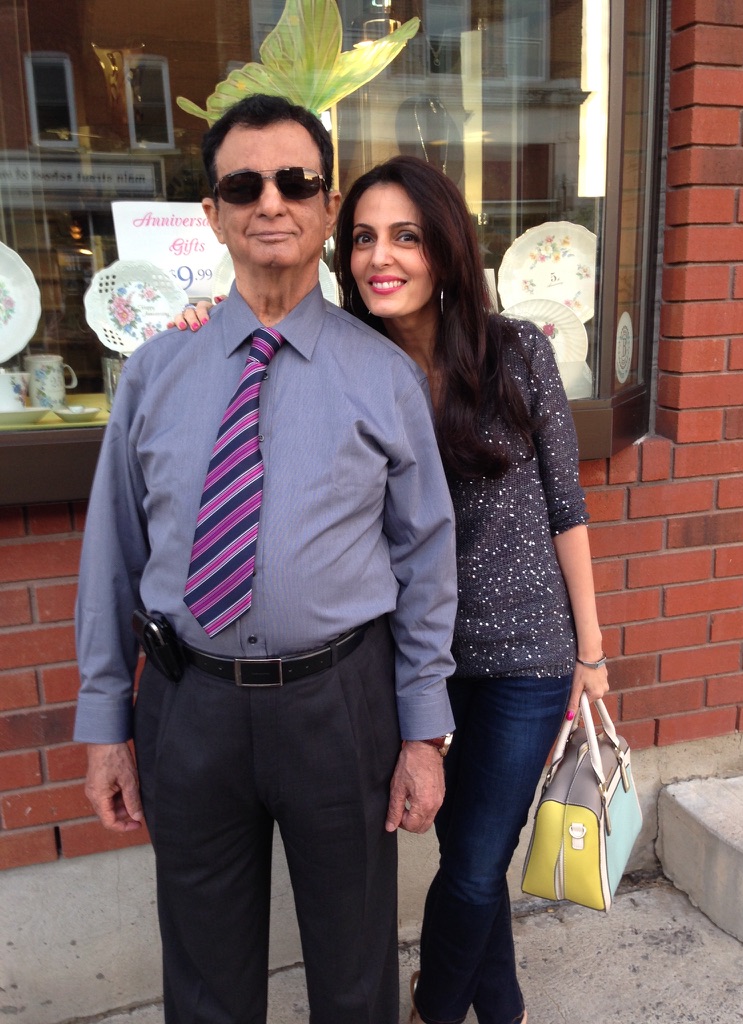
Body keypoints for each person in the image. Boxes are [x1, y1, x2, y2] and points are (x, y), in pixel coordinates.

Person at [177, 153, 609, 1024]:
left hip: (523, 657)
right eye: (364, 238)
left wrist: (591, 655)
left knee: (478, 861)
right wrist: (207, 326)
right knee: (467, 851)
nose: (382, 257)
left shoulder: (517, 350)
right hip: (409, 661)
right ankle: (505, 1007)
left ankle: (432, 1010)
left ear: (444, 249)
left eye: (407, 237)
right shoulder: (336, 360)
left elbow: (567, 507)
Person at [73, 97, 459, 1024]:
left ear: (328, 207)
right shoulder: (155, 375)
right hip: (189, 704)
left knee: (356, 969)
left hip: (341, 705)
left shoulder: (383, 377)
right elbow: (113, 553)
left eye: (296, 181)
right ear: (213, 214)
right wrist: (105, 724)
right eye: (244, 185)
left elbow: (427, 559)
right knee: (204, 979)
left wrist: (423, 734)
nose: (271, 202)